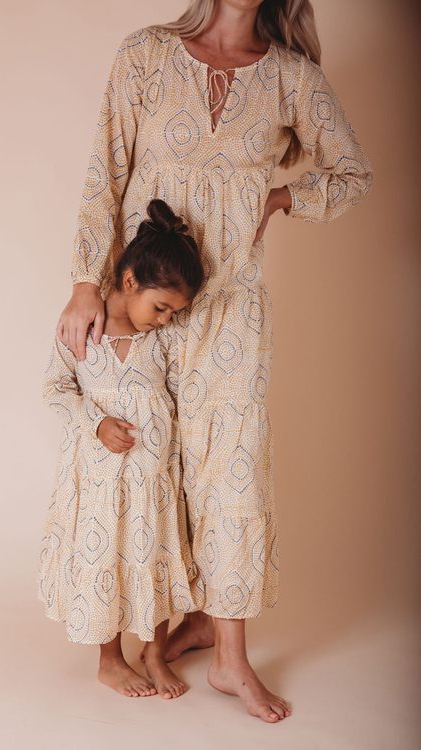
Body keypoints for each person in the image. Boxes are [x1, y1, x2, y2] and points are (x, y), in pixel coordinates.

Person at [56, 0, 373, 722]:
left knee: (229, 469)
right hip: (142, 306)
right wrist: (84, 284)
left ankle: (230, 656)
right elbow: (106, 170)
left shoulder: (291, 77)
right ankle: (167, 626)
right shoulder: (144, 54)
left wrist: (281, 196)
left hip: (230, 310)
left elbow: (353, 173)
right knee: (147, 465)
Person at [38, 199, 205, 699]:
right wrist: (95, 424)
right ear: (130, 281)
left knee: (152, 558)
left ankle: (154, 652)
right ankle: (110, 661)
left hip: (152, 481)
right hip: (99, 483)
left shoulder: (164, 340)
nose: (165, 319)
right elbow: (55, 389)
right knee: (104, 561)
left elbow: (181, 395)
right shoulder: (81, 329)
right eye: (161, 307)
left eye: (174, 312)